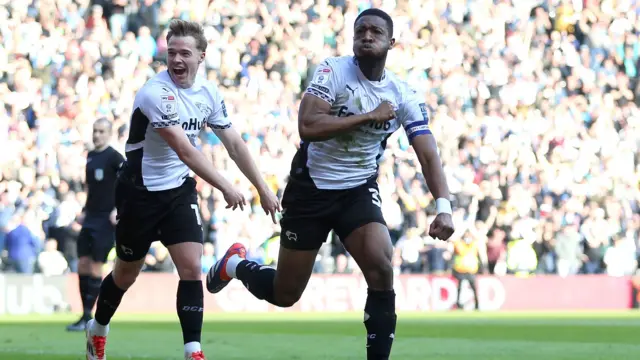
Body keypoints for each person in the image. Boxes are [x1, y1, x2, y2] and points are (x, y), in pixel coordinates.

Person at [207, 8, 455, 360]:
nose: (367, 36)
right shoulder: (333, 71)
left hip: (357, 191)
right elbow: (307, 125)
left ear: (392, 42)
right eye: (361, 31)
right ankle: (234, 264)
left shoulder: (403, 94)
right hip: (310, 189)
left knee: (382, 268)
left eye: (375, 32)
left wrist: (443, 206)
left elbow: (428, 154)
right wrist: (368, 116)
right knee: (285, 293)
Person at [84, 19, 280, 360]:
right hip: (139, 192)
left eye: (184, 53)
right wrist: (226, 186)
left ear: (201, 57)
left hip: (178, 190)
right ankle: (98, 328)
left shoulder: (209, 94)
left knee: (191, 267)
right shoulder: (154, 93)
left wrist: (261, 186)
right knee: (126, 274)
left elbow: (233, 142)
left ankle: (193, 351)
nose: (176, 59)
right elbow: (185, 150)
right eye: (171, 52)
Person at [66, 118, 124, 331]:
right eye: (95, 131)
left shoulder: (115, 157)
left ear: (109, 133)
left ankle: (95, 317)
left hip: (105, 219)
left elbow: (127, 183)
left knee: (97, 265)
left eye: (101, 131)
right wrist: (83, 210)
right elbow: (92, 189)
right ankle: (84, 315)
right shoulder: (91, 156)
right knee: (82, 263)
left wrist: (118, 208)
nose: (97, 135)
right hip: (90, 216)